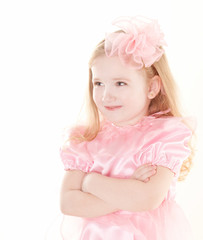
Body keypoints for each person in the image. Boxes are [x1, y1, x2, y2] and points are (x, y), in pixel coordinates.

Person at [59, 16, 195, 240]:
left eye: (120, 83)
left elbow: (147, 199)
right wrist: (129, 189)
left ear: (152, 88)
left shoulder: (162, 138)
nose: (106, 95)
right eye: (98, 83)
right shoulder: (86, 139)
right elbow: (68, 203)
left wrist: (90, 182)